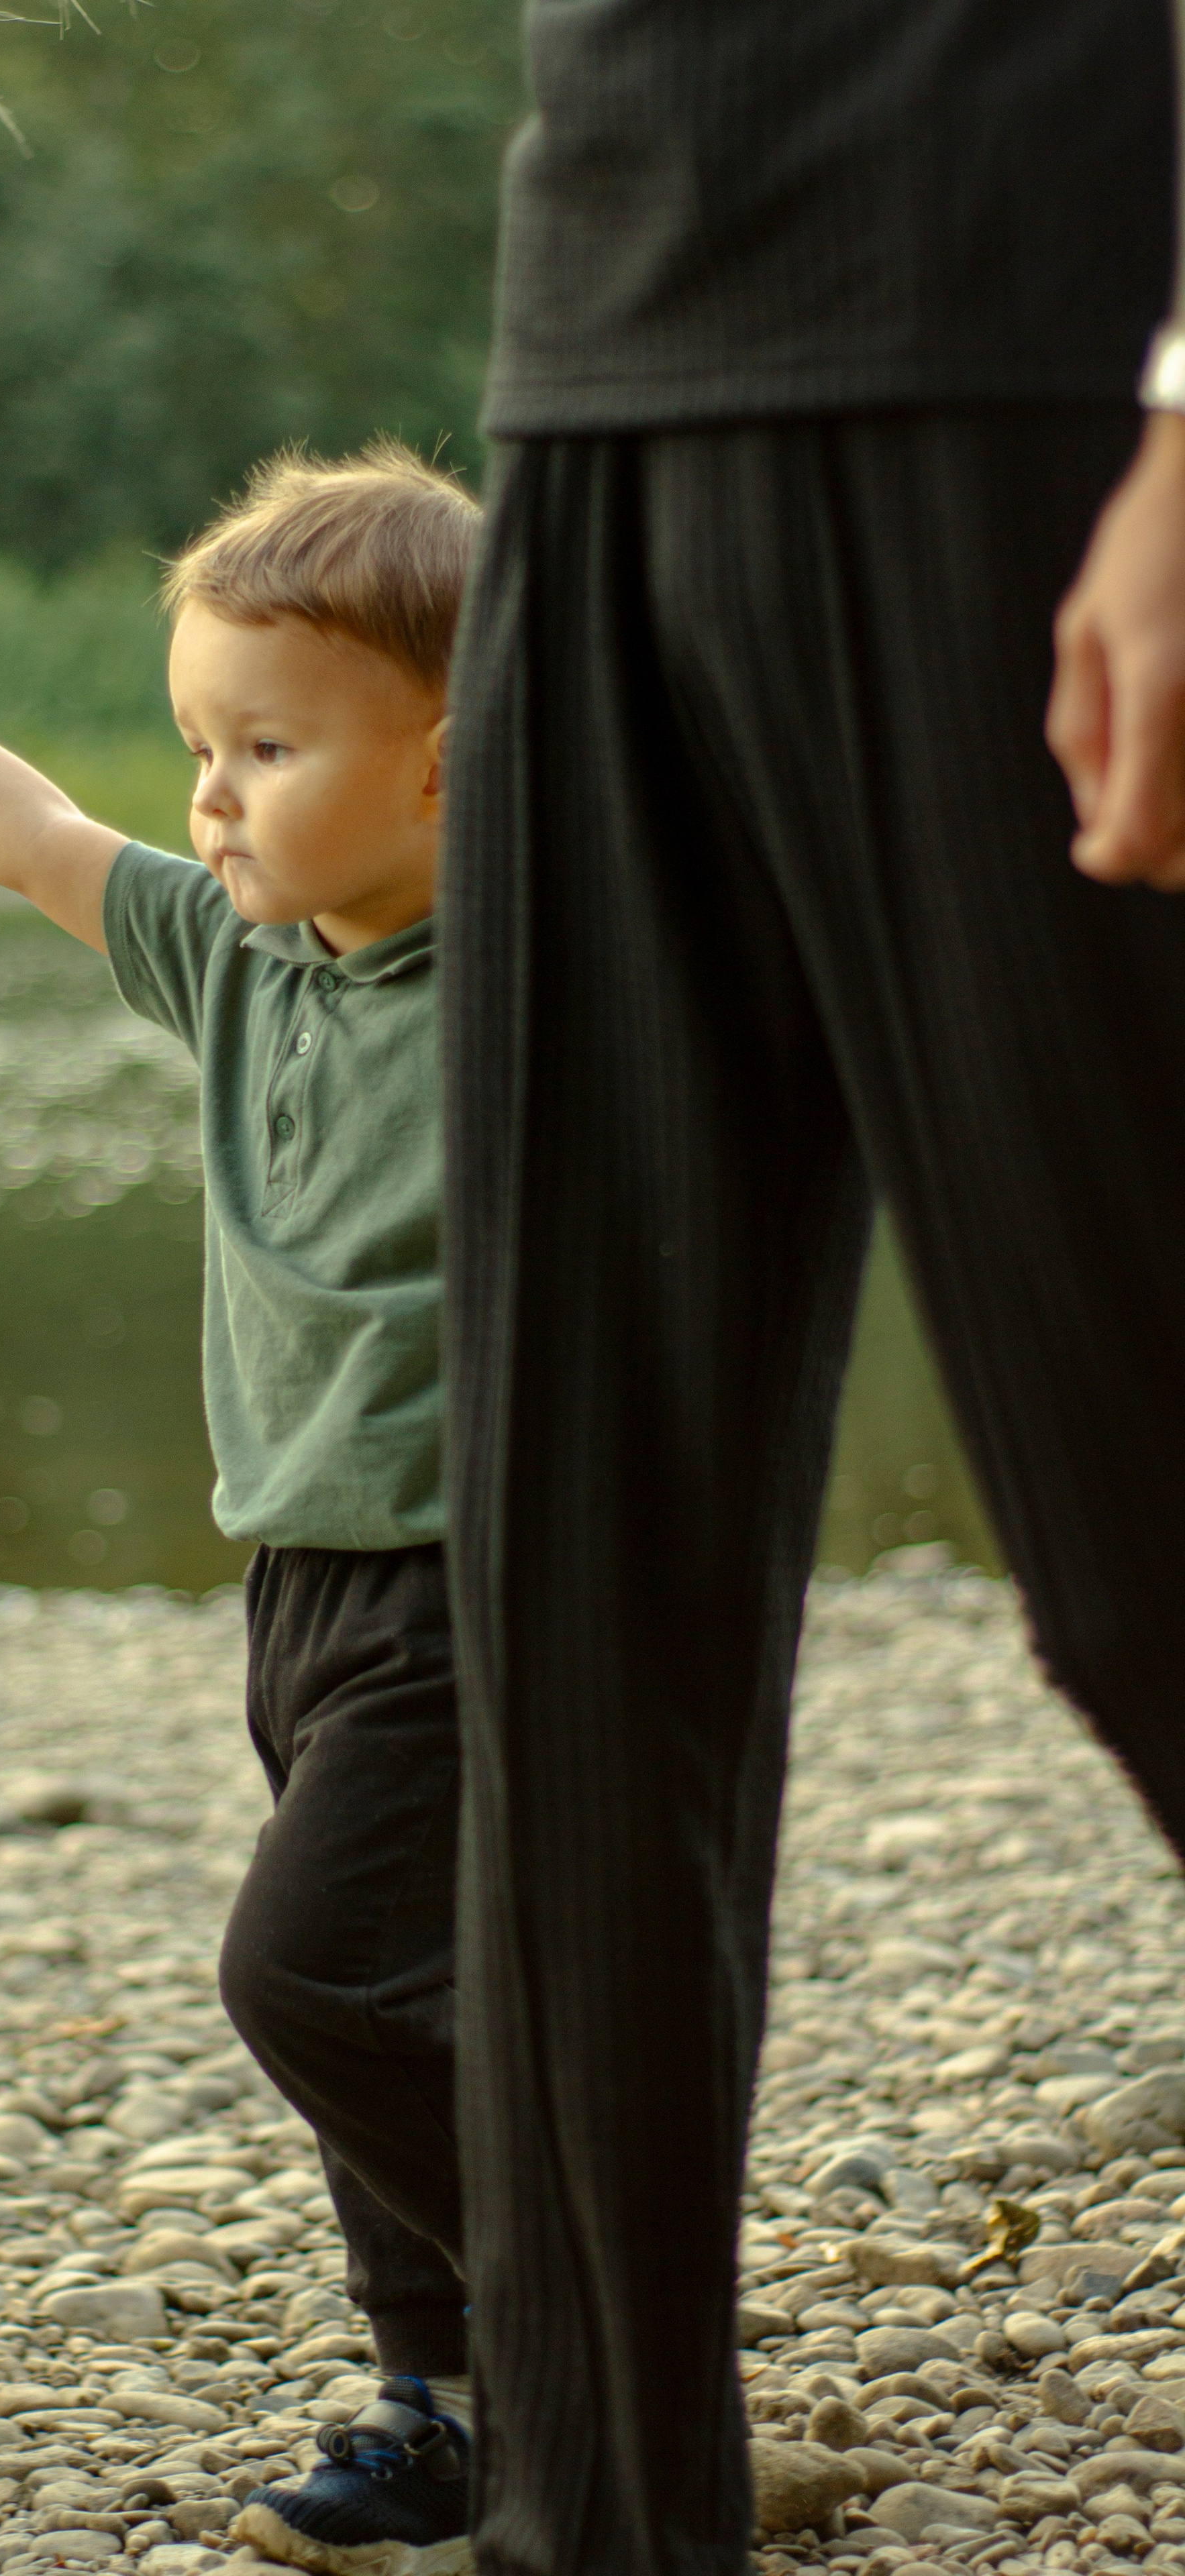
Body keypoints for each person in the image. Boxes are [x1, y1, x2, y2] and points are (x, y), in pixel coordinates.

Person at [437, 0, 1185, 2569]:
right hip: (595, 374)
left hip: (1031, 360)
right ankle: (591, 2525)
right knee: (576, 1591)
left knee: (1147, 1547)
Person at [0, 443, 480, 2576]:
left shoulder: (540, 970)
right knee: (398, 2014)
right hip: (302, 1581)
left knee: (313, 1977)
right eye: (198, 743)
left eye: (268, 747)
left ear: (457, 771)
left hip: (486, 1583)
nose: (212, 793)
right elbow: (32, 840)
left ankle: (596, 2311)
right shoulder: (237, 964)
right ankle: (442, 2408)